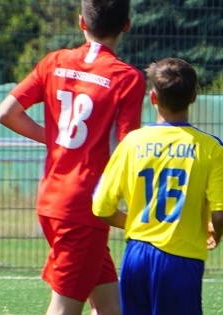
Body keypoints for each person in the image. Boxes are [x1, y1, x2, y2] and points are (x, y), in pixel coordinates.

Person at [0, 0, 147, 315]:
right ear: (126, 26)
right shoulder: (127, 78)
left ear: (82, 21)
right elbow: (127, 148)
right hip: (86, 208)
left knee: (111, 307)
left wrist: (53, 138)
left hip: (52, 199)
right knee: (64, 307)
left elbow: (5, 113)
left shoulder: (54, 62)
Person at [93, 57, 223, 315]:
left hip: (137, 255)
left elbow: (100, 207)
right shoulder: (210, 148)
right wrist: (214, 233)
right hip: (181, 258)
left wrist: (133, 223)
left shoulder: (132, 142)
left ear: (153, 97)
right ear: (194, 97)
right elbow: (219, 214)